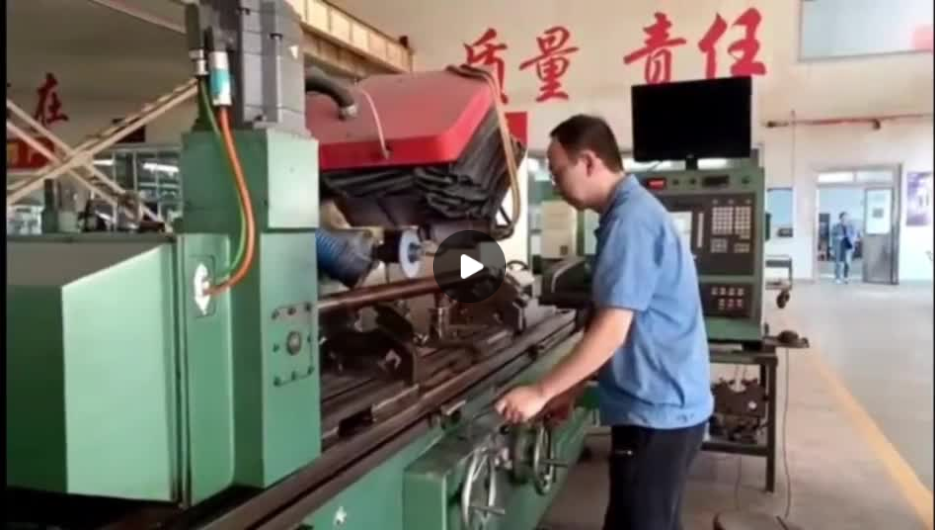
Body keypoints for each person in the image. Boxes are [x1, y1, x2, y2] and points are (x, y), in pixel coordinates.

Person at [495, 114, 712, 530]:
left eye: (558, 172)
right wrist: (571, 388)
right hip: (664, 408)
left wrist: (540, 392)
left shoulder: (631, 221)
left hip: (657, 413)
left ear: (589, 162)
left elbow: (612, 331)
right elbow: (606, 313)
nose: (555, 184)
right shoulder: (624, 215)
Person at [831, 212, 858, 284]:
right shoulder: (835, 226)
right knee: (838, 263)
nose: (845, 219)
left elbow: (855, 235)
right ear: (840, 218)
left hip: (848, 246)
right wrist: (837, 238)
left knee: (847, 262)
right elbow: (832, 236)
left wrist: (850, 238)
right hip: (839, 246)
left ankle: (846, 277)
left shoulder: (851, 226)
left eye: (846, 217)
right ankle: (837, 277)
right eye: (843, 218)